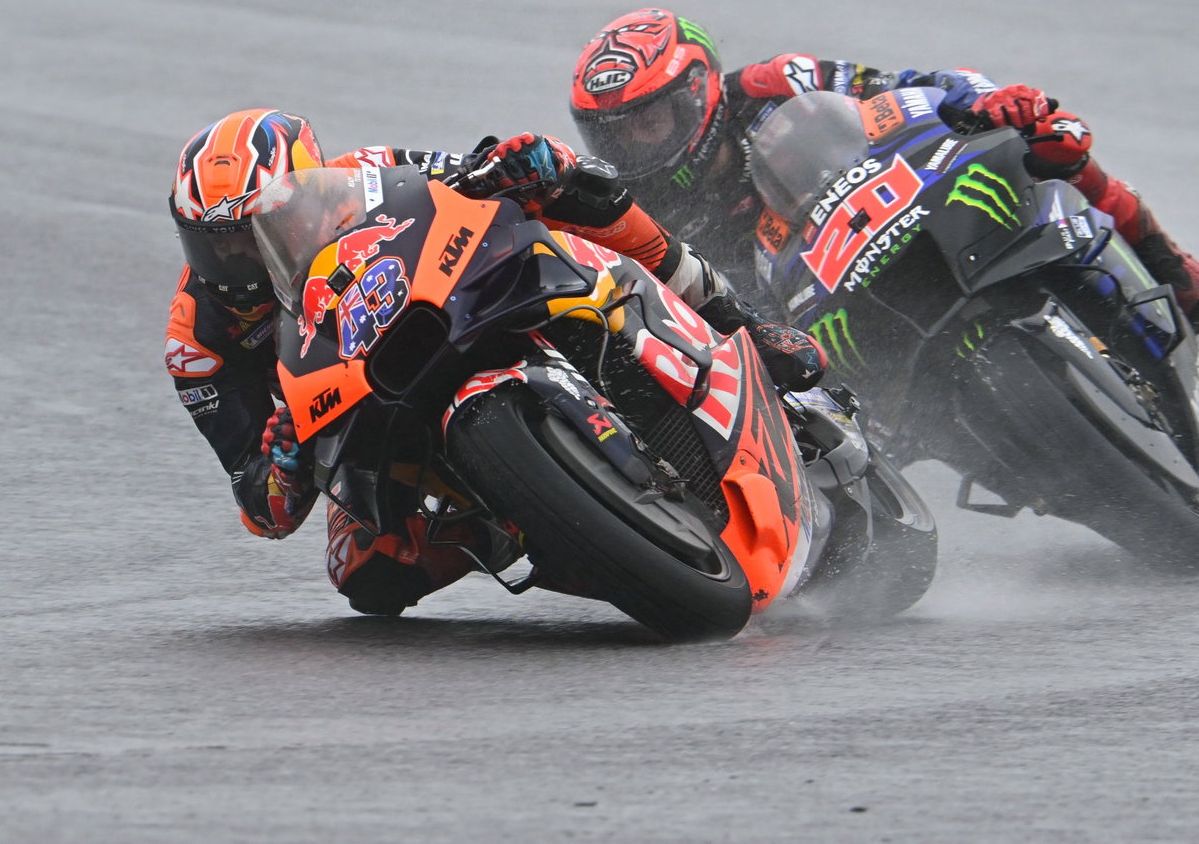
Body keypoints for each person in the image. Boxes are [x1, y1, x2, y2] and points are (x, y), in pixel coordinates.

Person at [164, 108, 823, 616]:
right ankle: (525, 517)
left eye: (254, 238)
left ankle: (735, 319)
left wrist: (515, 164)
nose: (239, 266)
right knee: (365, 574)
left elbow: (476, 174)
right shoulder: (197, 341)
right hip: (354, 408)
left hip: (450, 309)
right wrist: (280, 467)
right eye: (216, 250)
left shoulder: (364, 174)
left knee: (571, 188)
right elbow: (261, 508)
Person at [567, 8, 1199, 342]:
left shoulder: (776, 82)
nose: (636, 147)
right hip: (805, 317)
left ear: (695, 94)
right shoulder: (633, 207)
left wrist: (984, 103)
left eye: (648, 123)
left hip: (881, 212)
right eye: (615, 135)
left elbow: (905, 89)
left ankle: (1174, 264)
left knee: (1051, 139)